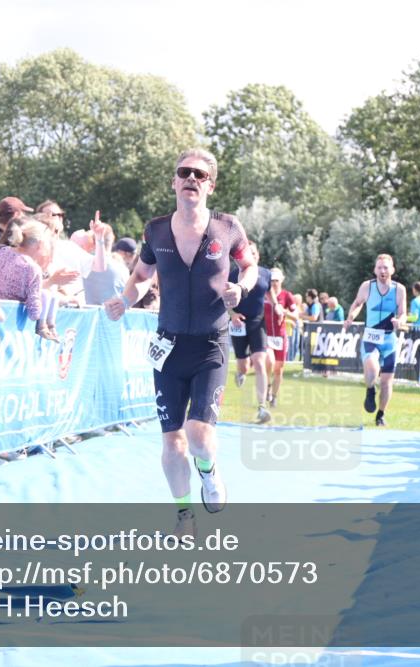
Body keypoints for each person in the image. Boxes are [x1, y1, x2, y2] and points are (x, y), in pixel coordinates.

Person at [103, 148, 256, 535]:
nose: (191, 178)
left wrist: (242, 286)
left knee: (199, 436)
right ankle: (184, 513)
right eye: (184, 172)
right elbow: (141, 276)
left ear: (210, 185)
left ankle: (210, 471)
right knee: (172, 444)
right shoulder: (155, 230)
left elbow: (250, 264)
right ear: (174, 181)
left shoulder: (228, 227)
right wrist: (124, 299)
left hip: (211, 344)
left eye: (199, 175)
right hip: (168, 346)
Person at [344, 254, 407, 427]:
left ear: (392, 270)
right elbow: (357, 304)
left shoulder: (399, 289)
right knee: (372, 368)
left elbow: (403, 313)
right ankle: (370, 389)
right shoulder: (367, 286)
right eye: (379, 267)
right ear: (375, 270)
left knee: (387, 381)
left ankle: (380, 414)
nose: (382, 271)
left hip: (389, 339)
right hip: (371, 337)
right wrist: (350, 317)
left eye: (386, 267)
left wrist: (399, 321)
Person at [0, 217, 59, 341]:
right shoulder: (32, 268)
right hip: (9, 328)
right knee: (47, 295)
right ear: (40, 244)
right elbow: (34, 313)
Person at [228, 242, 272, 423]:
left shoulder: (266, 274)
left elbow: (270, 294)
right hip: (238, 321)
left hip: (257, 321)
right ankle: (241, 373)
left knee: (259, 362)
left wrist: (276, 306)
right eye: (248, 253)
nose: (251, 256)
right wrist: (232, 314)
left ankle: (262, 407)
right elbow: (222, 300)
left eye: (254, 253)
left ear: (258, 255)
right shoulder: (232, 274)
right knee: (243, 366)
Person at [264, 267, 298, 406]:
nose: (274, 283)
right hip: (265, 335)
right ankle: (266, 387)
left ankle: (274, 396)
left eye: (276, 280)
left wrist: (283, 311)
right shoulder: (264, 294)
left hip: (280, 336)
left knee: (278, 369)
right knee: (269, 362)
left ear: (282, 280)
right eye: (271, 280)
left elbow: (296, 316)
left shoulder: (287, 296)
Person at [85, 212, 132, 305]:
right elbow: (127, 297)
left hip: (86, 317)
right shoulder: (122, 269)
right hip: (112, 317)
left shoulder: (83, 264)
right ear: (113, 238)